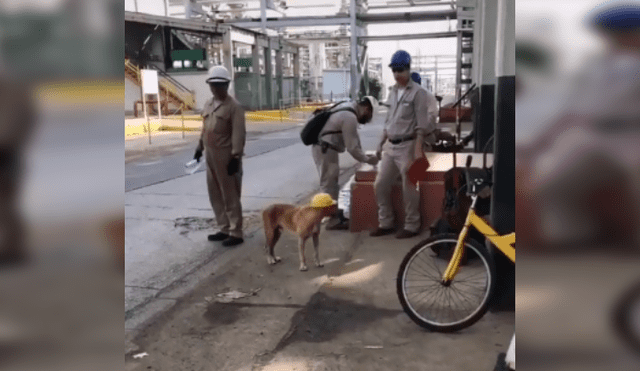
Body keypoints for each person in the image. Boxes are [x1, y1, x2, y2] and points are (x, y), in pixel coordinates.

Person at [371, 50, 438, 239]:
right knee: (380, 184)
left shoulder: (419, 93)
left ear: (408, 69)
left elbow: (422, 123)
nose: (397, 74)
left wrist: (418, 149)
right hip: (390, 147)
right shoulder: (392, 92)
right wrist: (380, 143)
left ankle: (411, 224)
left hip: (408, 146)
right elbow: (388, 121)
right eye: (394, 71)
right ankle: (386, 222)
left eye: (400, 70)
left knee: (409, 186)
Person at [194, 66, 246, 247]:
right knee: (215, 193)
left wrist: (235, 157)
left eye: (219, 85)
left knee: (230, 194)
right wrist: (199, 148)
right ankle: (224, 228)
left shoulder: (234, 107)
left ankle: (236, 231)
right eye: (212, 85)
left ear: (226, 85)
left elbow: (239, 134)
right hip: (210, 156)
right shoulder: (208, 104)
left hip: (227, 157)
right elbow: (205, 128)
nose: (215, 88)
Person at [312, 96, 380, 230]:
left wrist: (364, 156)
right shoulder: (350, 117)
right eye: (370, 115)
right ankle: (331, 220)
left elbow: (354, 139)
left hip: (324, 147)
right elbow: (353, 148)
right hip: (325, 149)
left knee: (331, 182)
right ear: (367, 109)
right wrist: (368, 160)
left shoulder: (347, 106)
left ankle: (333, 214)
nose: (368, 120)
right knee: (329, 184)